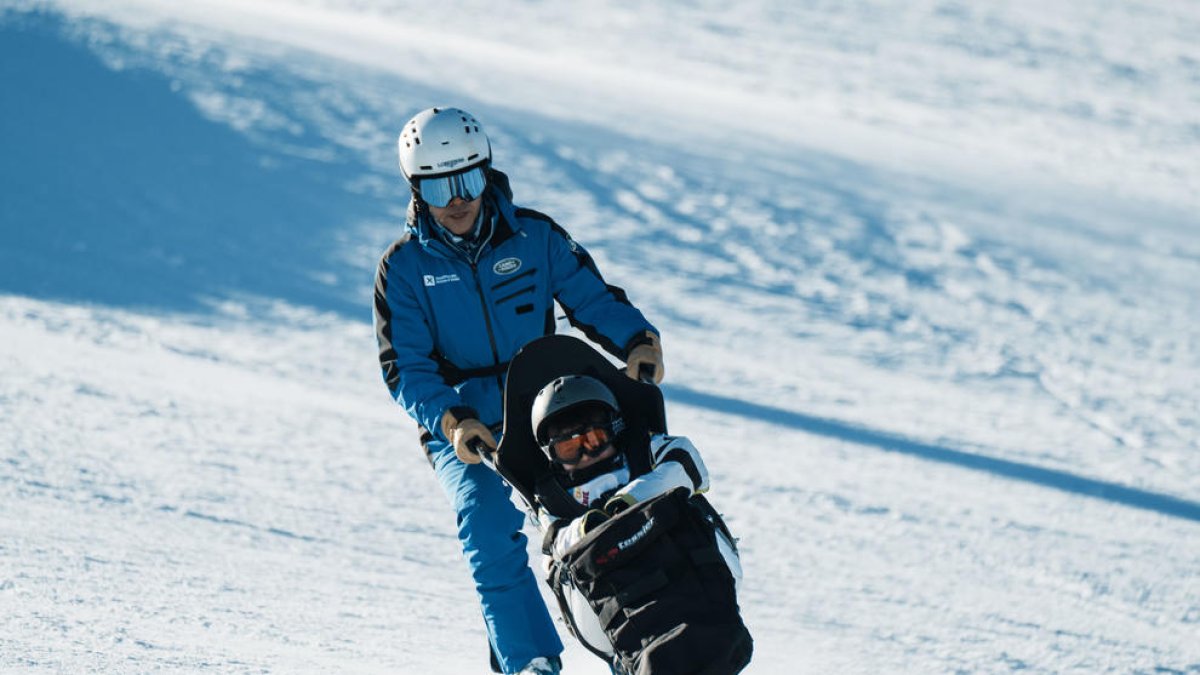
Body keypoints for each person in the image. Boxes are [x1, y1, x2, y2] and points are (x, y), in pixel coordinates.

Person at [373, 106, 664, 675]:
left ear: (486, 172)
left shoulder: (534, 236)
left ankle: (641, 650)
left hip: (545, 408)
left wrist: (637, 340)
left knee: (607, 517)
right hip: (465, 426)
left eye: (467, 179)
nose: (457, 200)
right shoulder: (403, 268)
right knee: (486, 527)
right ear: (416, 191)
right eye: (438, 187)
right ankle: (530, 663)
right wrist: (451, 420)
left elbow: (591, 296)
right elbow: (404, 368)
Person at [528, 374, 745, 671]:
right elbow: (556, 542)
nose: (586, 454)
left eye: (594, 439)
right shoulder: (553, 496)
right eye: (570, 448)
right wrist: (589, 528)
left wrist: (630, 502)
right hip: (620, 602)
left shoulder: (645, 450)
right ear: (551, 454)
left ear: (614, 429)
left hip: (687, 572)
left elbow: (687, 468)